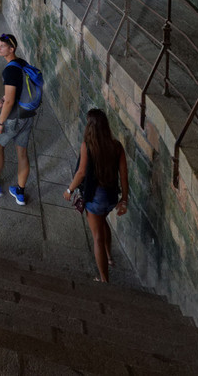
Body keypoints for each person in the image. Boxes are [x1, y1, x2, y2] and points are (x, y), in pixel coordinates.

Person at [65, 108, 129, 282]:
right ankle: (109, 257)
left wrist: (69, 190)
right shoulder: (116, 146)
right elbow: (123, 176)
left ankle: (103, 279)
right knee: (103, 222)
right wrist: (124, 200)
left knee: (97, 237)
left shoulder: (88, 145)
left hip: (95, 197)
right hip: (111, 197)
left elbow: (81, 173)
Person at [0, 32, 39, 204]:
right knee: (22, 153)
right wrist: (1, 99)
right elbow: (18, 91)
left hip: (14, 117)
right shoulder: (21, 63)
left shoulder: (10, 70)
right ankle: (20, 193)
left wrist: (0, 122)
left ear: (11, 49)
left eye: (2, 46)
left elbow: (11, 100)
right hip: (27, 116)